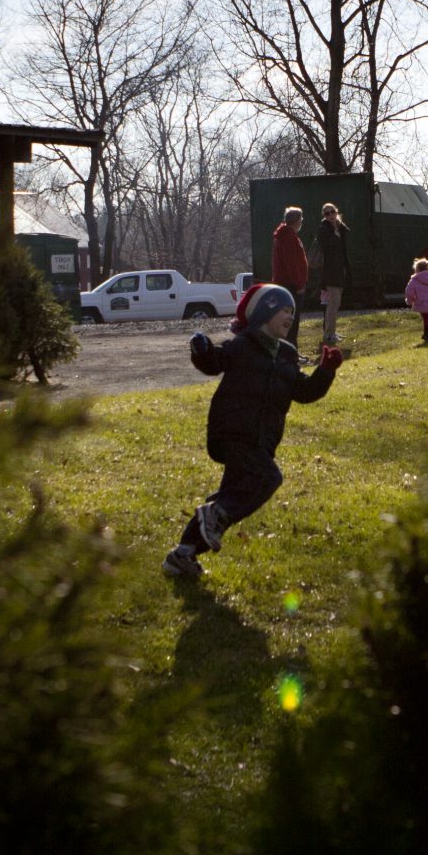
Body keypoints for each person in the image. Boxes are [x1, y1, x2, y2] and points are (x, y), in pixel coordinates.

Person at [166, 284, 341, 580]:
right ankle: (214, 517)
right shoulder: (242, 344)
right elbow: (215, 362)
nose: (290, 316)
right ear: (264, 312)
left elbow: (304, 392)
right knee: (269, 478)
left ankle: (182, 554)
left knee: (230, 496)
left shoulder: (287, 354)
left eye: (292, 312)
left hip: (262, 439)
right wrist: (202, 350)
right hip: (233, 431)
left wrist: (326, 371)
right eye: (284, 310)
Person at [270, 205, 311, 343]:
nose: (302, 221)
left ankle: (291, 350)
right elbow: (291, 264)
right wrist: (299, 284)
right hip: (291, 286)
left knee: (289, 321)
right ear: (296, 220)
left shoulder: (285, 235)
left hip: (286, 284)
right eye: (301, 219)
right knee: (291, 321)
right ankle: (290, 352)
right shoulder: (288, 237)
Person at [314, 200, 351, 347]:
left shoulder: (340, 228)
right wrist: (335, 235)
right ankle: (328, 334)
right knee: (332, 304)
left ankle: (332, 332)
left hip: (339, 271)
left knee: (336, 303)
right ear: (324, 215)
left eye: (332, 212)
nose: (330, 215)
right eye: (326, 213)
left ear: (336, 212)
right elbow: (327, 248)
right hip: (330, 273)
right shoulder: (324, 229)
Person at [403, 257, 428, 346]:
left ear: (417, 269)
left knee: (426, 317)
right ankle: (427, 334)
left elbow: (409, 291)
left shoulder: (414, 280)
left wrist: (410, 300)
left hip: (420, 303)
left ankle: (427, 335)